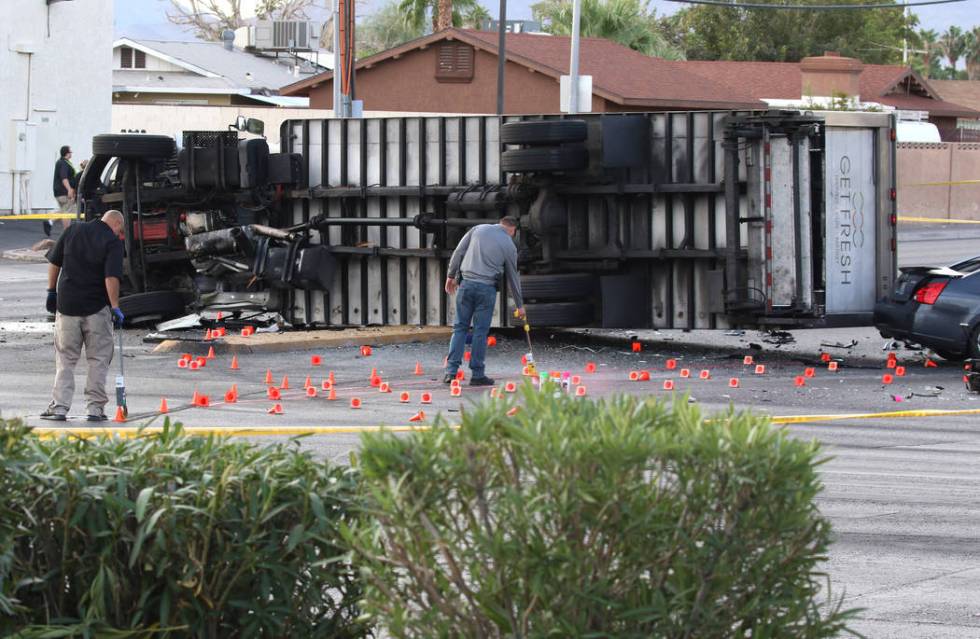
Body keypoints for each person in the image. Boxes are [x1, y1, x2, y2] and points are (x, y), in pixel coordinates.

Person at [40, 210, 127, 422]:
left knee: (65, 359)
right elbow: (111, 277)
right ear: (115, 224)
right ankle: (95, 409)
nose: (120, 235)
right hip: (96, 309)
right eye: (121, 230)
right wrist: (115, 306)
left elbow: (54, 262)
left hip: (67, 307)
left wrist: (51, 291)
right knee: (98, 359)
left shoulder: (73, 230)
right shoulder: (112, 242)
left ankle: (59, 407)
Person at [444, 216, 525, 386]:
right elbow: (512, 277)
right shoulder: (509, 245)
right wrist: (519, 305)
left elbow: (459, 251)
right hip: (486, 289)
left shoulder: (478, 229)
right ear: (513, 230)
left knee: (459, 328)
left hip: (465, 285)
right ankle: (477, 375)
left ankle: (450, 373)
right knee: (480, 332)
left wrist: (451, 275)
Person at [46, 146, 76, 237]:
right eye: (70, 152)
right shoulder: (63, 163)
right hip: (63, 192)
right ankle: (67, 234)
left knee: (65, 210)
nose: (71, 153)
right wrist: (69, 189)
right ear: (67, 153)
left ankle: (50, 221)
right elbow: (64, 178)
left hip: (59, 192)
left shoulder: (61, 162)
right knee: (67, 212)